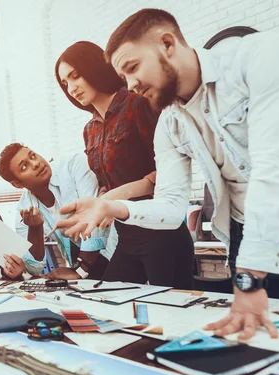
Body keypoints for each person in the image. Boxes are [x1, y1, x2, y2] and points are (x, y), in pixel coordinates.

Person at [57, 8, 279, 340]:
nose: (131, 85)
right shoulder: (170, 121)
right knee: (268, 342)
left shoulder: (262, 54)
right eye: (123, 76)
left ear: (167, 43)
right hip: (243, 238)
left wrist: (250, 278)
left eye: (132, 67)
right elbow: (171, 206)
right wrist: (110, 207)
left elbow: (273, 174)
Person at [54, 40, 194, 288]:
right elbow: (108, 181)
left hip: (162, 232)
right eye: (65, 83)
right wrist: (100, 202)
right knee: (109, 305)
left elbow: (169, 173)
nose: (71, 88)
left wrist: (114, 198)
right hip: (127, 235)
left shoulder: (137, 104)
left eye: (75, 76)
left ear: (94, 67)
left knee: (172, 317)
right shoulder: (90, 130)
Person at [0, 143, 114, 280]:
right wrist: (36, 228)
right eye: (24, 166)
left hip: (116, 251)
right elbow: (35, 267)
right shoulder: (24, 209)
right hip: (83, 269)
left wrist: (81, 269)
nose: (35, 164)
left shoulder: (74, 165)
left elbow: (95, 215)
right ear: (17, 184)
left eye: (33, 156)